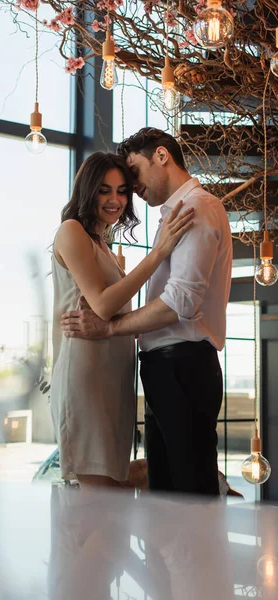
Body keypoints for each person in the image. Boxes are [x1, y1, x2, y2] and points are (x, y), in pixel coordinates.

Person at [60, 129, 233, 496]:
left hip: (182, 363)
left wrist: (109, 329)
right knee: (168, 493)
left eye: (131, 176)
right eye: (109, 189)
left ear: (161, 156)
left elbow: (180, 303)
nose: (130, 189)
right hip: (164, 367)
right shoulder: (172, 217)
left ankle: (196, 555)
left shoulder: (195, 209)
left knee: (187, 494)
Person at [51, 151, 194, 489]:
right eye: (104, 190)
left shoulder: (101, 243)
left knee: (109, 503)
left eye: (121, 190)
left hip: (113, 380)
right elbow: (101, 305)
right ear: (87, 190)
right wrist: (159, 253)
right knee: (98, 506)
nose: (115, 200)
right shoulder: (71, 232)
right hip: (86, 378)